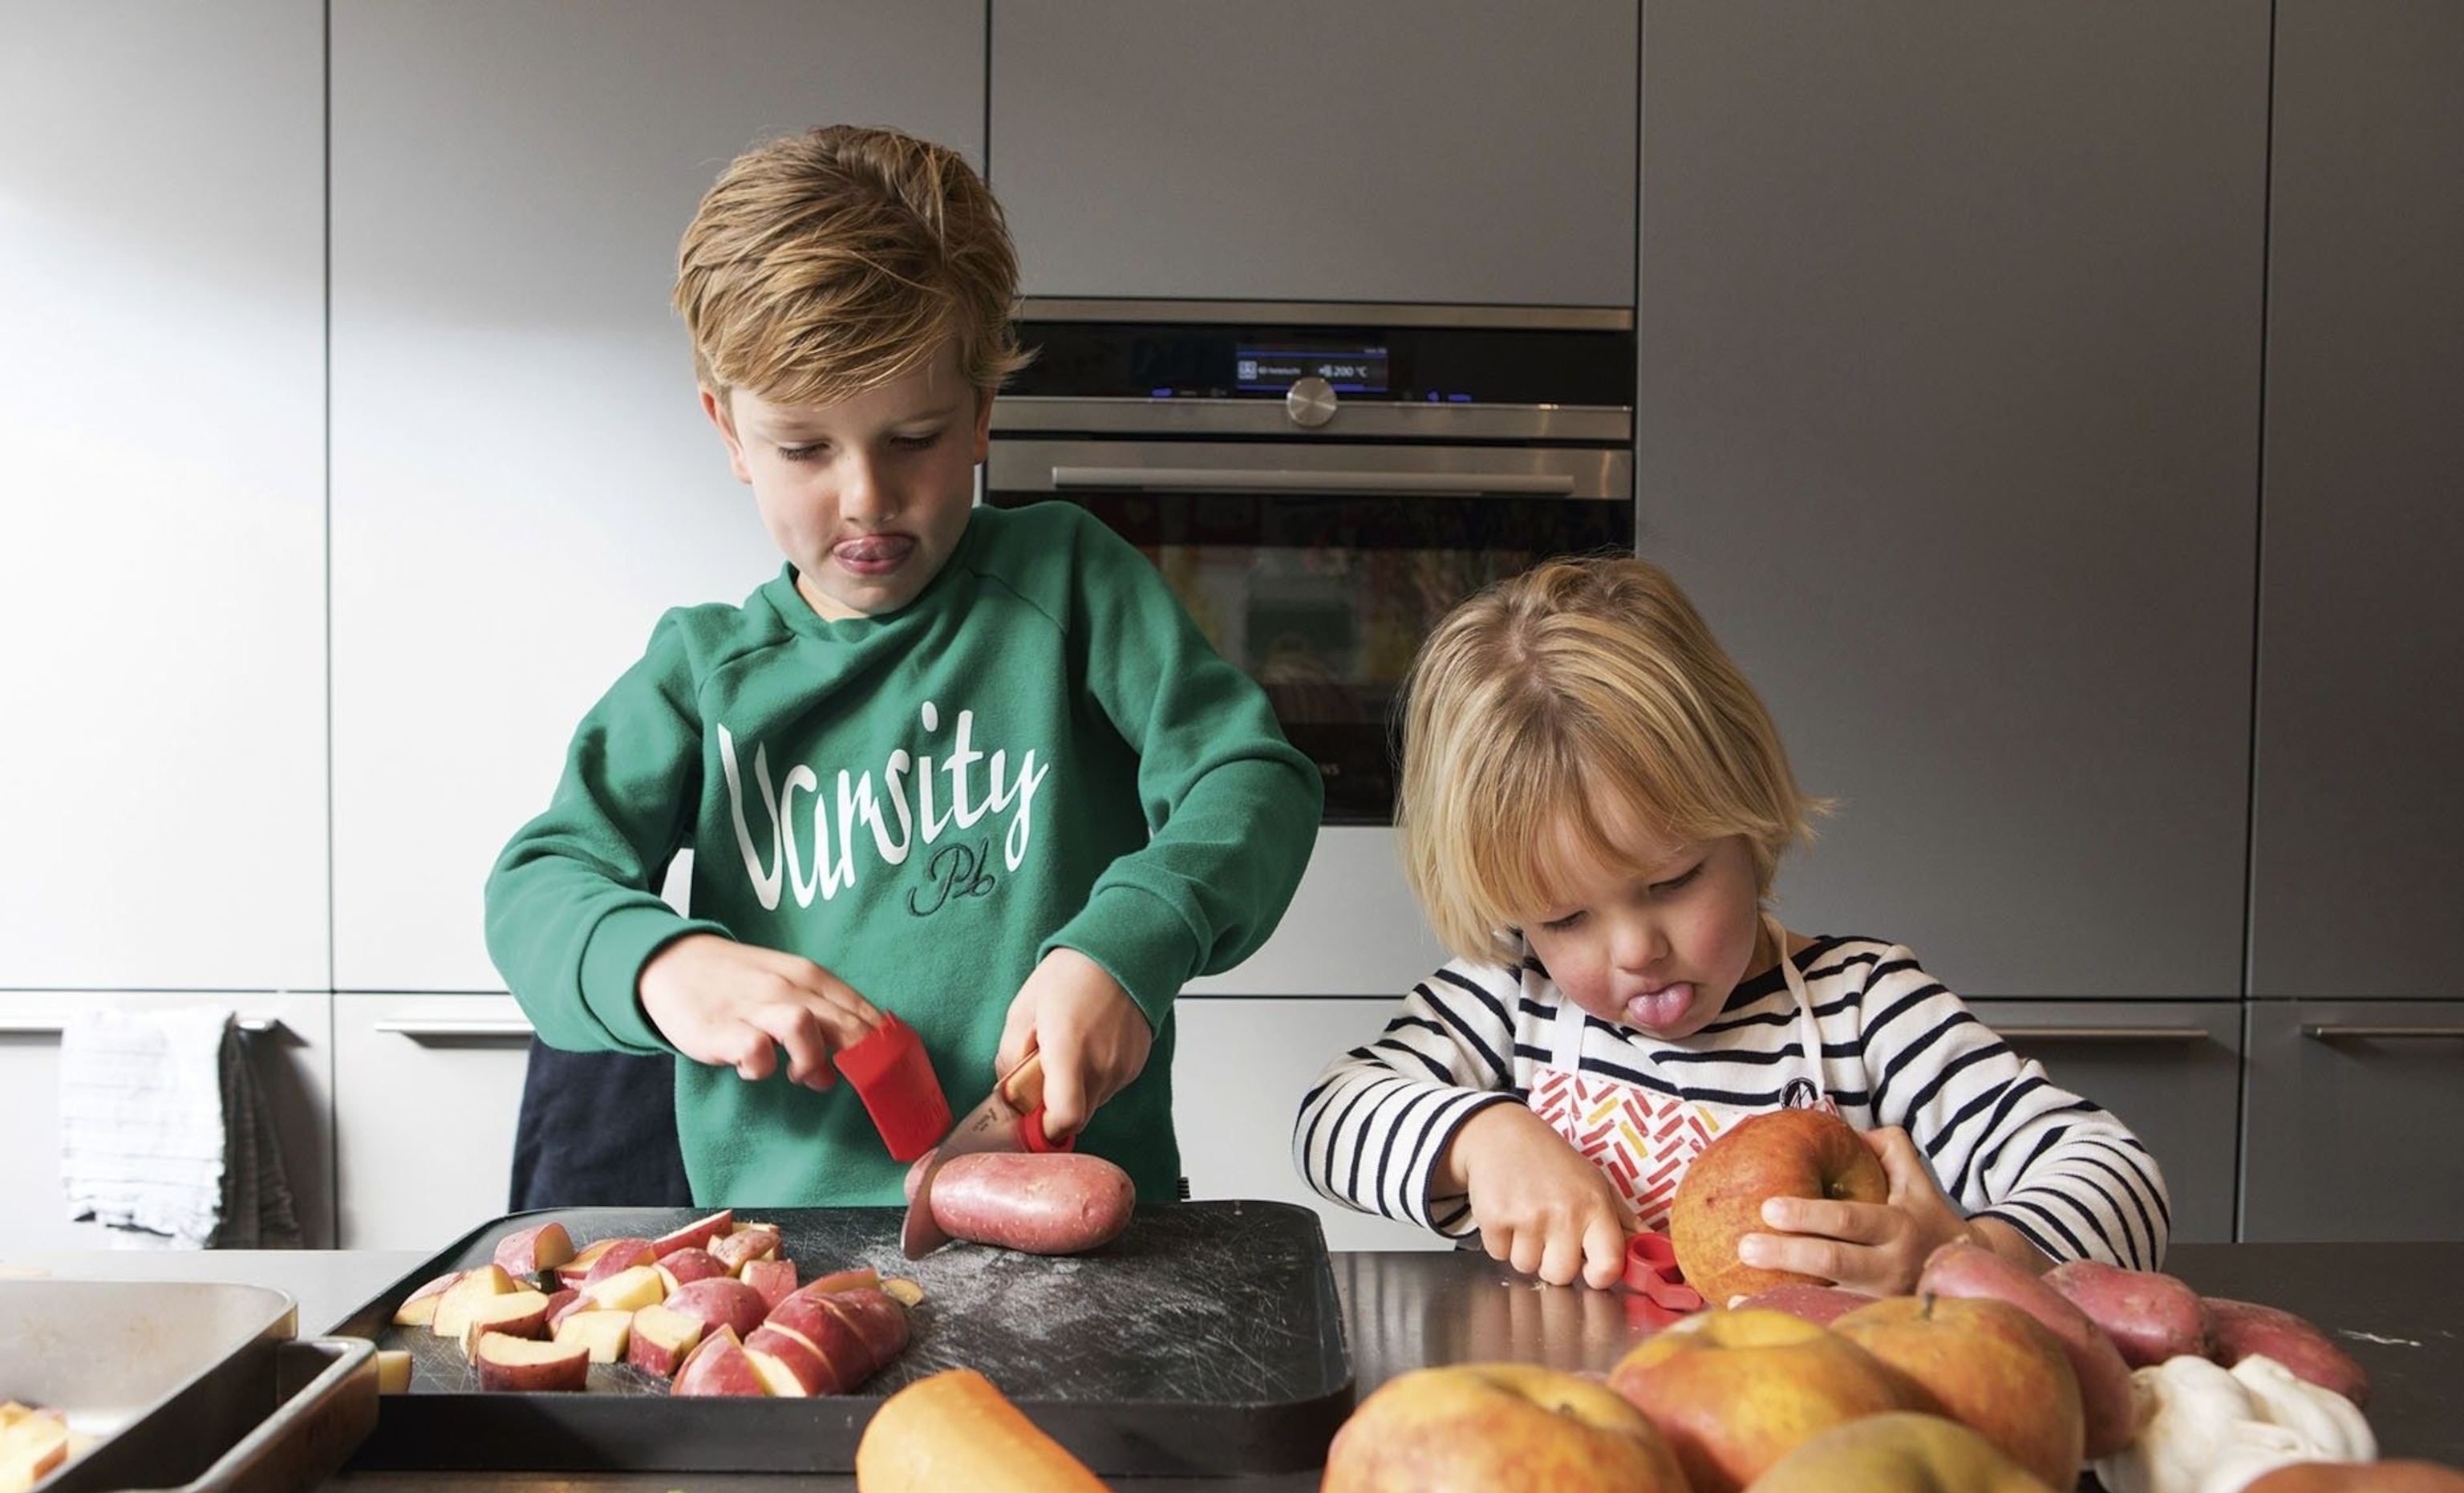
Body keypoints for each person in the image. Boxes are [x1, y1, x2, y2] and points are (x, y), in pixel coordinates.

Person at [486, 125, 1322, 1208]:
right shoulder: (703, 673)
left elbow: (1251, 780)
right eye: (805, 449)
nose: (868, 497)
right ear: (729, 433)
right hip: (788, 1258)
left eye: (915, 436)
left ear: (981, 412)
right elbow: (539, 885)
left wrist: (1131, 944)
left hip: (1079, 1229)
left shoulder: (1068, 586)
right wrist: (662, 967)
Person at [1295, 555, 2169, 1292]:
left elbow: (2121, 1181)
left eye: (1673, 881)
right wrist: (1478, 1137)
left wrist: (1970, 1258)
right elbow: (1329, 1120)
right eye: (1564, 917)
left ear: (1746, 819)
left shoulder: (1863, 1010)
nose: (1636, 950)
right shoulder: (1508, 1002)